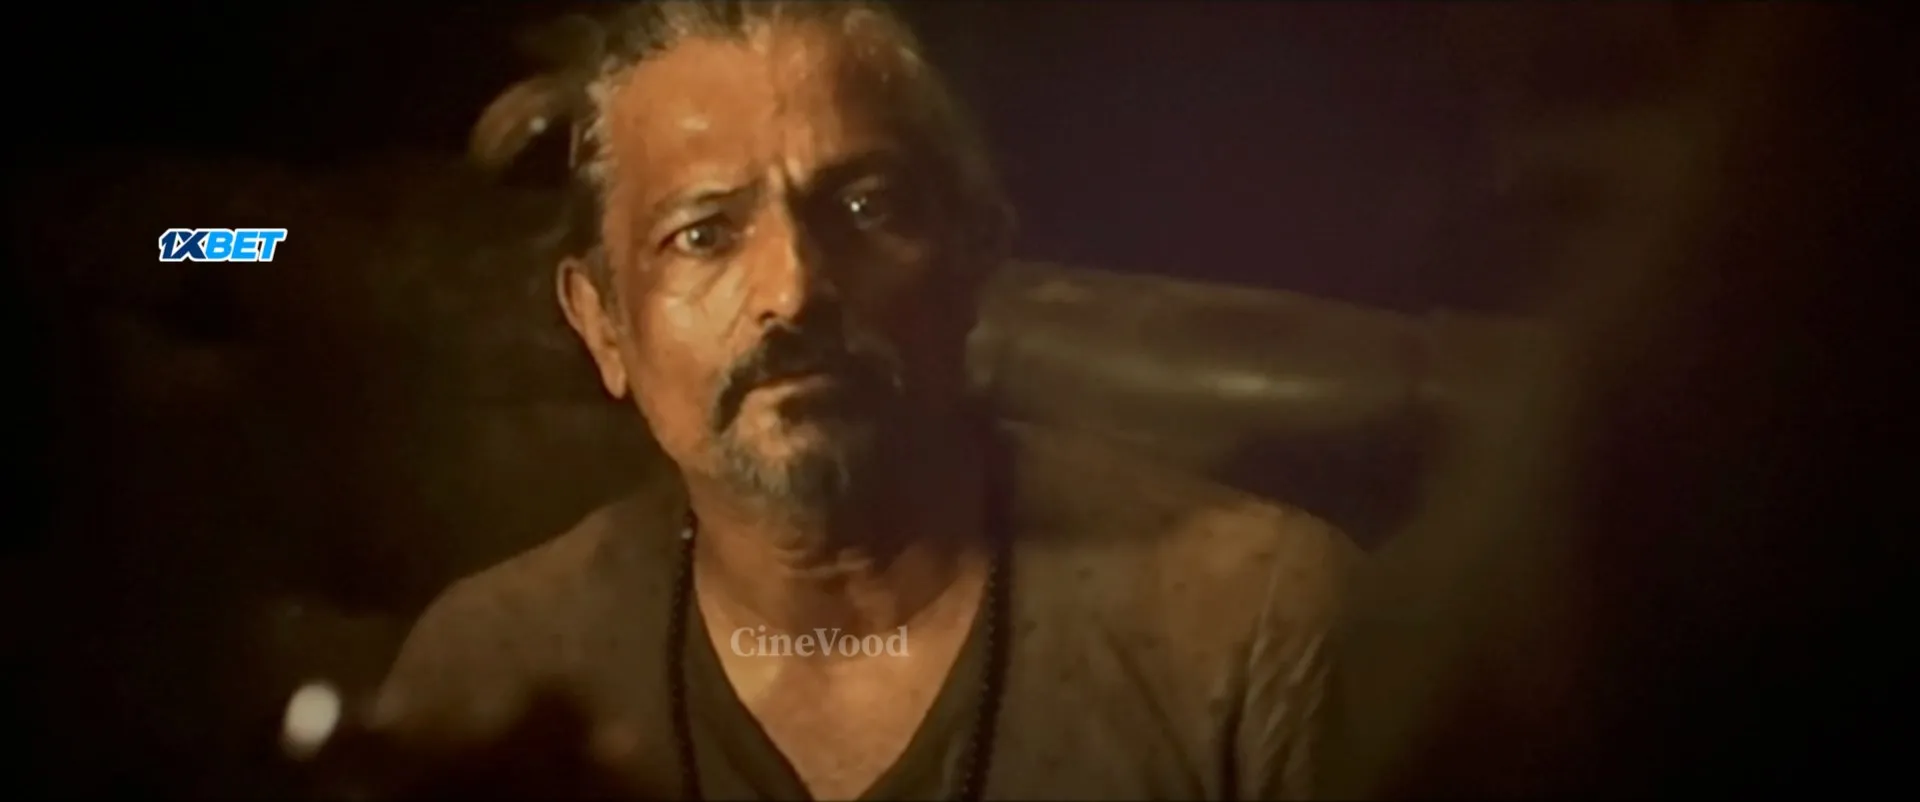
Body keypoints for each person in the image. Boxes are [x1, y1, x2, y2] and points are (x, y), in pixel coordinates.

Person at [356, 2, 1359, 799]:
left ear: (973, 258)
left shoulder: (1251, 625)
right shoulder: (491, 666)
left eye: (866, 206)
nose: (793, 289)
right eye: (703, 234)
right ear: (603, 324)